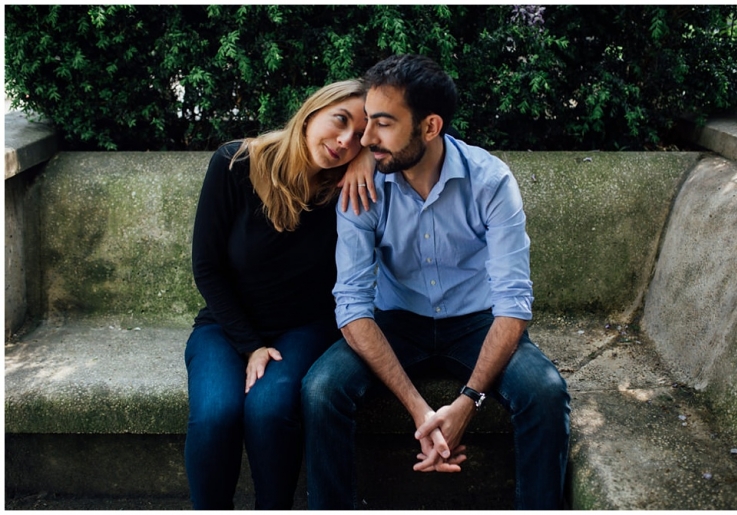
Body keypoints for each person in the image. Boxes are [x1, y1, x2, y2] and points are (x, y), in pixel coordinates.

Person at [301, 54, 571, 510]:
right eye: (368, 122)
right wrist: (420, 410)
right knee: (320, 389)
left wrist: (466, 402)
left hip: (476, 322)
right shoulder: (364, 185)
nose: (365, 140)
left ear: (430, 127)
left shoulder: (490, 181)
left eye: (382, 125)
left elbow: (513, 304)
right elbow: (351, 305)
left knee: (545, 392)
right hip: (395, 320)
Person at [184, 79, 374, 509]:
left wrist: (367, 160)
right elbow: (207, 268)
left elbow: (427, 136)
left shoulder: (347, 185)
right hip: (225, 325)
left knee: (268, 411)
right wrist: (250, 345)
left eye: (360, 136)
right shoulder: (235, 162)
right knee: (215, 415)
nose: (345, 141)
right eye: (340, 121)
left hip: (304, 327)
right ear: (312, 112)